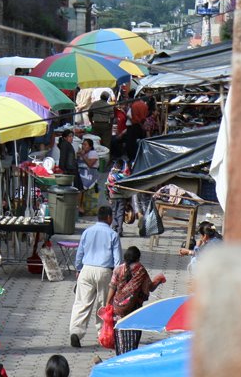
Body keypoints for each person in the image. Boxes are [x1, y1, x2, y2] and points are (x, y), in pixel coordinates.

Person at [68, 206, 123, 348]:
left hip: (86, 269)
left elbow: (79, 253)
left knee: (81, 303)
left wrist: (79, 268)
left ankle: (76, 332)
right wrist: (117, 279)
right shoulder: (113, 235)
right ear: (109, 218)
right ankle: (102, 335)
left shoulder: (87, 232)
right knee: (103, 305)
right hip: (105, 271)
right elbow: (118, 261)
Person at [105, 246, 166, 355]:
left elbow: (112, 287)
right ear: (138, 258)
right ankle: (130, 359)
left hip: (118, 310)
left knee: (120, 339)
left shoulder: (118, 269)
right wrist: (159, 280)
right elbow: (150, 287)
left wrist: (108, 303)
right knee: (132, 339)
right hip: (134, 311)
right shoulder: (141, 270)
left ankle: (120, 358)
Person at [76, 137, 99, 215]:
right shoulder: (81, 152)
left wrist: (83, 156)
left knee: (81, 186)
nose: (83, 146)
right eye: (83, 145)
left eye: (85, 145)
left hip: (90, 174)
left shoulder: (93, 153)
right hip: (81, 172)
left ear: (90, 146)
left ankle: (79, 206)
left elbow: (90, 164)